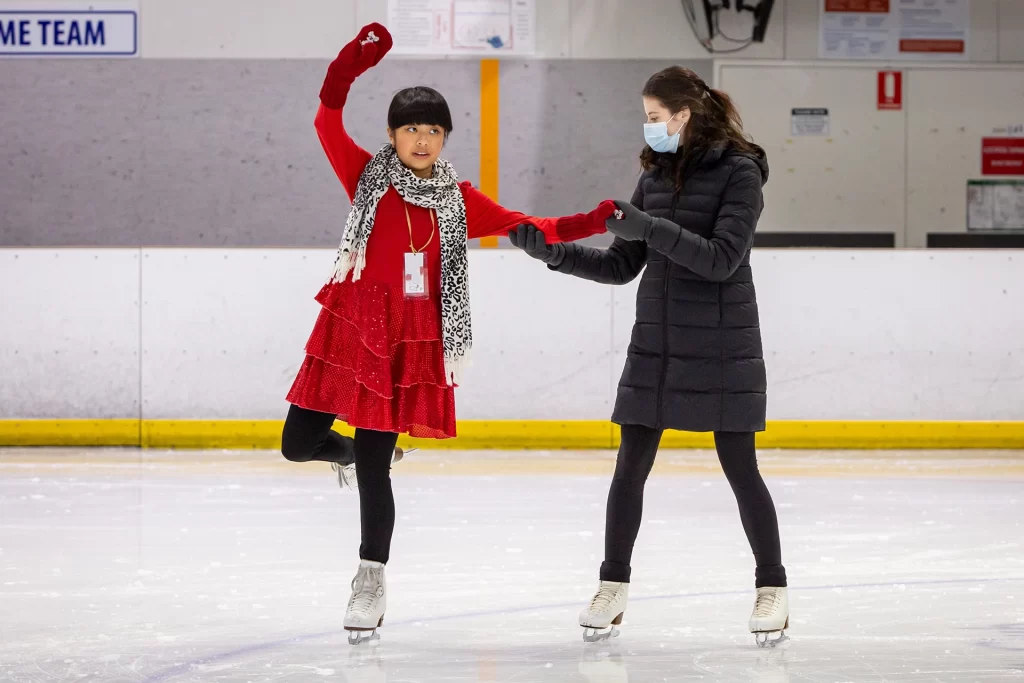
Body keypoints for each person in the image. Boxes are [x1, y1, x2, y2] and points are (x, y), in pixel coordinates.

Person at [280, 23, 615, 642]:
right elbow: (327, 121)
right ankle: (346, 454)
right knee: (297, 443)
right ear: (392, 134)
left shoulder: (459, 200)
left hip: (409, 340)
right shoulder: (365, 178)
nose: (422, 138)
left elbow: (531, 224)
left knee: (379, 469)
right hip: (354, 325)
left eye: (433, 129)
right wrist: (347, 67)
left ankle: (370, 578)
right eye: (411, 128)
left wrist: (593, 220)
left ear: (445, 138)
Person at [511, 66, 789, 647]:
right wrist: (554, 255)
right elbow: (619, 265)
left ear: (683, 115)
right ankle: (612, 585)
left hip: (721, 346)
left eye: (656, 117)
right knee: (628, 468)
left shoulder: (742, 174)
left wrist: (651, 226)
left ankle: (772, 589)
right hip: (657, 345)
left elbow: (721, 261)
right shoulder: (655, 176)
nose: (649, 127)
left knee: (741, 468)